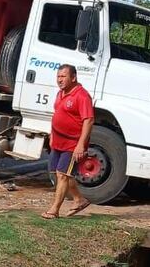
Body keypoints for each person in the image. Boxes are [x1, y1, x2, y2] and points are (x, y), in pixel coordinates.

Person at [42, 63, 94, 219]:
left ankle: (54, 210)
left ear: (73, 77)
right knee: (59, 174)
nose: (60, 80)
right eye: (58, 76)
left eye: (63, 76)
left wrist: (80, 145)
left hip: (72, 143)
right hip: (58, 142)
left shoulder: (82, 95)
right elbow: (57, 114)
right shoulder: (60, 94)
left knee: (63, 174)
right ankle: (79, 199)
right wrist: (52, 135)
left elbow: (89, 120)